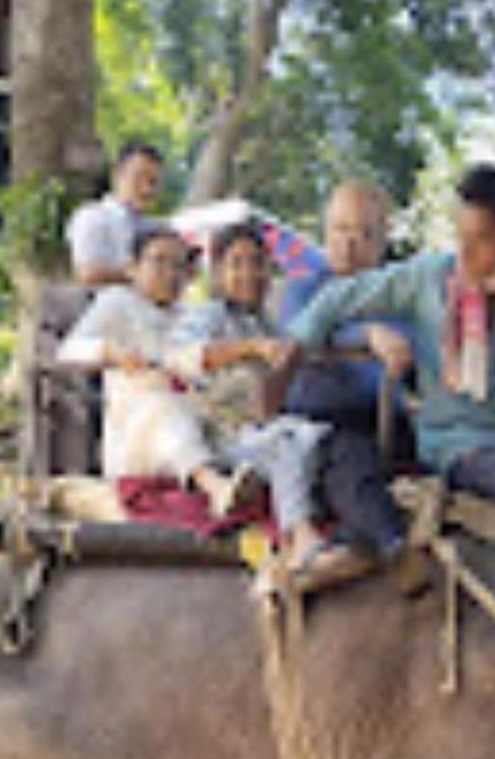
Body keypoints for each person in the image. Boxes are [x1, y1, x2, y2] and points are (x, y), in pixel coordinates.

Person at [276, 164, 495, 549]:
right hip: (456, 444)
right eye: (460, 237)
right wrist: (294, 351)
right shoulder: (428, 279)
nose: (465, 253)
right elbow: (337, 299)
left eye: (481, 240)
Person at [167, 221, 353, 573]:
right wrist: (249, 349)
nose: (249, 273)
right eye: (236, 263)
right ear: (218, 272)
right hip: (223, 436)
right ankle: (300, 536)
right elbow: (183, 358)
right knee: (287, 440)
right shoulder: (207, 315)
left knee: (313, 436)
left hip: (266, 431)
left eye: (258, 263)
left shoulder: (271, 323)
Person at [57, 223, 250, 520]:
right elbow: (68, 351)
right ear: (133, 268)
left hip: (195, 419)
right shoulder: (117, 303)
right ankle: (214, 486)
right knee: (165, 407)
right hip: (137, 436)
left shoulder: (191, 316)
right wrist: (112, 354)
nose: (171, 273)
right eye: (159, 262)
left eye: (178, 264)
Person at [278, 179, 416, 449]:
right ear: (326, 231)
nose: (349, 243)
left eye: (365, 234)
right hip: (326, 420)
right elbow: (294, 336)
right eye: (341, 229)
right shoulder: (304, 288)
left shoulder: (397, 291)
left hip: (392, 418)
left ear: (382, 242)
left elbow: (413, 339)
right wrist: (365, 336)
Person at [67, 142, 165, 287]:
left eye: (153, 182)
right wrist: (143, 276)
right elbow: (88, 273)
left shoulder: (158, 228)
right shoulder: (93, 217)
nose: (146, 188)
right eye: (139, 177)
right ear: (117, 175)